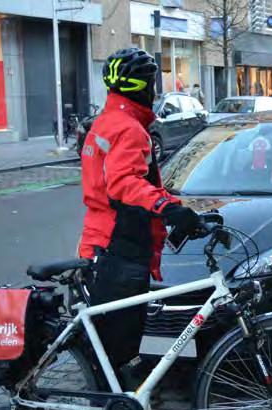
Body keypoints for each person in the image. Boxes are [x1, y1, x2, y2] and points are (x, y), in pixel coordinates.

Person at [79, 48, 205, 383]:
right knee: (118, 344)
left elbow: (135, 182)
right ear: (141, 88)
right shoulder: (130, 129)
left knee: (109, 342)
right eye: (152, 84)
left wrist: (176, 209)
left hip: (101, 240)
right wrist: (167, 208)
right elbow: (123, 183)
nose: (155, 92)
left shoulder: (105, 123)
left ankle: (114, 405)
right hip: (120, 247)